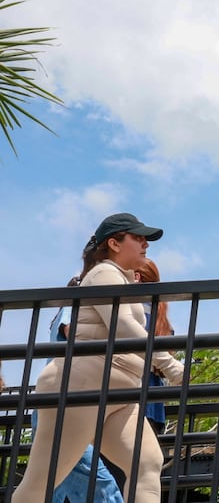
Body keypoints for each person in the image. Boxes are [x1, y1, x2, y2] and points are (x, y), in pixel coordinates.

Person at [13, 213, 186, 503]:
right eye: (138, 237)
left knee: (148, 463)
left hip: (120, 389)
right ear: (114, 244)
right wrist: (170, 365)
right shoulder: (103, 272)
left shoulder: (124, 280)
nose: (145, 244)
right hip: (83, 385)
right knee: (42, 481)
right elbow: (124, 327)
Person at [46, 278, 125, 503]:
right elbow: (76, 333)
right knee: (102, 487)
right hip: (67, 407)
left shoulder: (66, 311)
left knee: (55, 486)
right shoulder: (75, 307)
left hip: (64, 404)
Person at [135, 258, 175, 438]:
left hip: (129, 395)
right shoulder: (162, 319)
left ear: (136, 278)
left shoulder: (129, 310)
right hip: (153, 403)